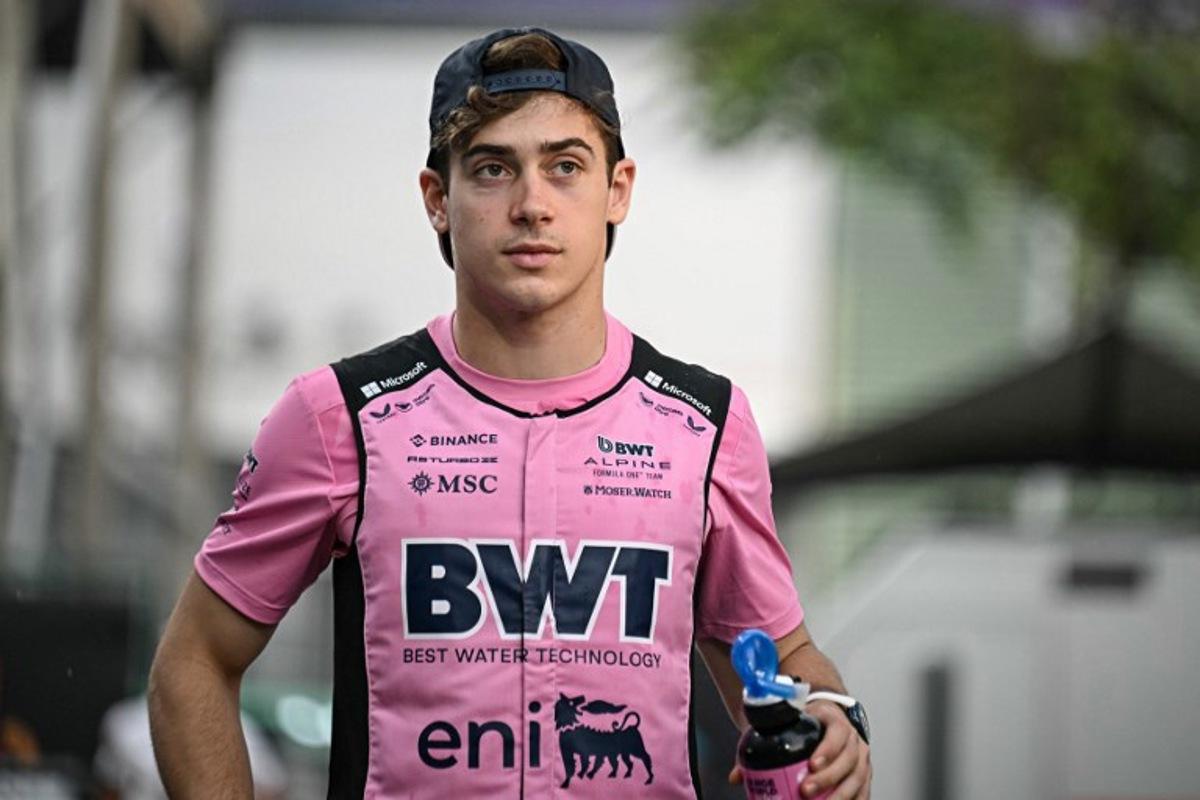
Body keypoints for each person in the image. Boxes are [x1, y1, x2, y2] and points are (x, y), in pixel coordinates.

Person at [147, 26, 871, 799]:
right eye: (493, 169)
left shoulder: (706, 423)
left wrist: (828, 712)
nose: (532, 205)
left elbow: (780, 660)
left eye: (566, 167)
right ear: (437, 198)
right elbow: (191, 665)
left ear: (617, 190)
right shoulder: (338, 416)